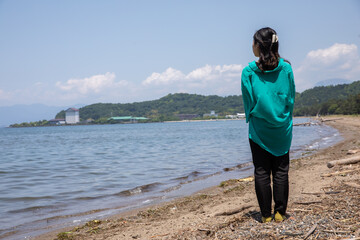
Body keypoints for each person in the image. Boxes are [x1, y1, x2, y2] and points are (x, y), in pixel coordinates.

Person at [241, 27, 295, 223]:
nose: (251, 46)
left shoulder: (248, 72)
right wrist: (285, 117)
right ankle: (280, 213)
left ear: (260, 46)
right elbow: (290, 98)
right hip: (282, 127)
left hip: (259, 129)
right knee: (281, 170)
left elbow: (248, 102)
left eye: (253, 42)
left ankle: (265, 215)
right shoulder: (286, 68)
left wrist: (253, 117)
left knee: (261, 171)